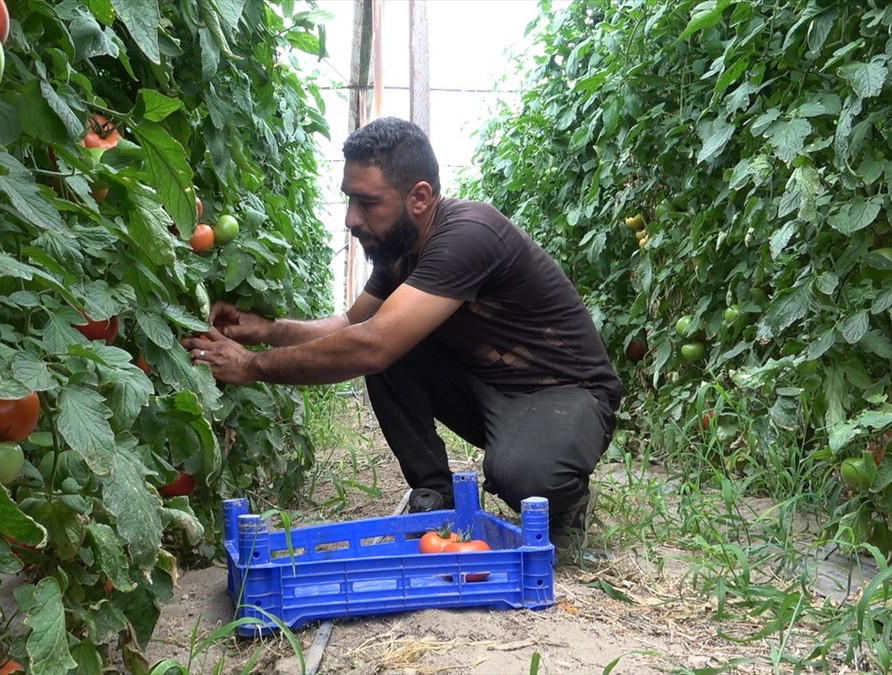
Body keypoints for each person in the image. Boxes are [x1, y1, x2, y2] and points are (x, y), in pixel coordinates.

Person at [181, 117, 621, 551]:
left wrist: (250, 365)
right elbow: (350, 325)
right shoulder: (398, 251)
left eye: (367, 202)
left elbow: (370, 346)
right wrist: (269, 330)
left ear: (420, 198)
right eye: (349, 200)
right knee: (381, 341)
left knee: (526, 480)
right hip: (489, 389)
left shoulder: (469, 234)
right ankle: (436, 497)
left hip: (567, 395)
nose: (352, 219)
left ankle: (569, 502)